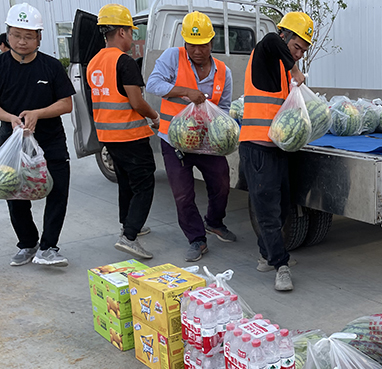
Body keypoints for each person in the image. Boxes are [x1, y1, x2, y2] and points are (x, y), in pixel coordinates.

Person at [146, 11, 236, 262]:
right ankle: (196, 239)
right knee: (183, 194)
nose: (197, 51)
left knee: (221, 184)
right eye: (192, 45)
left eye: (203, 45)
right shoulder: (172, 57)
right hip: (174, 141)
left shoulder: (223, 72)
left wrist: (223, 130)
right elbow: (153, 84)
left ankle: (214, 222)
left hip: (208, 142)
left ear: (212, 42)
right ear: (185, 42)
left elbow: (224, 108)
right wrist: (186, 91)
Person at [239, 12, 311, 292]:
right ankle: (281, 265)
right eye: (296, 47)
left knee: (281, 207)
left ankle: (265, 255)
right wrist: (294, 69)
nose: (299, 55)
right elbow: (270, 40)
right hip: (257, 147)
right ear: (285, 36)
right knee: (268, 211)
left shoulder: (281, 67)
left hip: (277, 148)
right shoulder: (266, 53)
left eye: (303, 51)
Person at [0, 3, 75, 267]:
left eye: (28, 36)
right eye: (16, 35)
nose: (22, 41)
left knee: (58, 192)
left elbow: (66, 103)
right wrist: (10, 118)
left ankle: (48, 247)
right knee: (14, 194)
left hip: (51, 142)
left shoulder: (51, 66)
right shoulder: (1, 65)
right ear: (7, 35)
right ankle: (28, 244)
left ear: (39, 37)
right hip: (12, 144)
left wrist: (38, 113)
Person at [88, 4, 160, 259]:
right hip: (130, 135)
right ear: (121, 32)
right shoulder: (125, 62)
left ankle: (128, 224)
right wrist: (155, 117)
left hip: (108, 136)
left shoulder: (94, 62)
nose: (132, 37)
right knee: (144, 183)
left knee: (126, 182)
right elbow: (137, 102)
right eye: (130, 32)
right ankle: (129, 236)